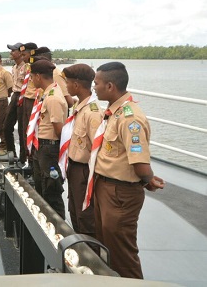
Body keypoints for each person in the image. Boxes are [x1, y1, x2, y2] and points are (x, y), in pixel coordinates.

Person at [89, 61, 165, 279]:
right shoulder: (114, 112)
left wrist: (148, 179)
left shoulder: (130, 118)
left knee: (122, 253)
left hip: (120, 194)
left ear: (110, 86)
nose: (94, 87)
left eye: (97, 83)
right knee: (106, 247)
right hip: (105, 187)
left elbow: (140, 163)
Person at [59, 64, 101, 238]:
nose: (66, 86)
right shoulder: (79, 108)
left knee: (85, 218)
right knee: (75, 213)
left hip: (84, 172)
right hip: (74, 168)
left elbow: (97, 151)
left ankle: (91, 258)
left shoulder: (92, 114)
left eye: (67, 82)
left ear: (76, 85)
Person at [28, 59, 68, 218]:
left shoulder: (53, 98)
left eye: (31, 76)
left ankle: (59, 228)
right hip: (41, 147)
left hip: (49, 149)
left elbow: (59, 130)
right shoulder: (47, 94)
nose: (30, 79)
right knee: (41, 187)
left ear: (38, 76)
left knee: (51, 190)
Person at [2, 42, 26, 161]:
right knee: (6, 126)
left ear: (21, 52)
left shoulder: (26, 67)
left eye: (13, 50)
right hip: (15, 96)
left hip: (23, 97)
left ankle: (23, 159)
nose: (10, 53)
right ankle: (12, 154)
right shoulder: (14, 67)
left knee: (22, 130)